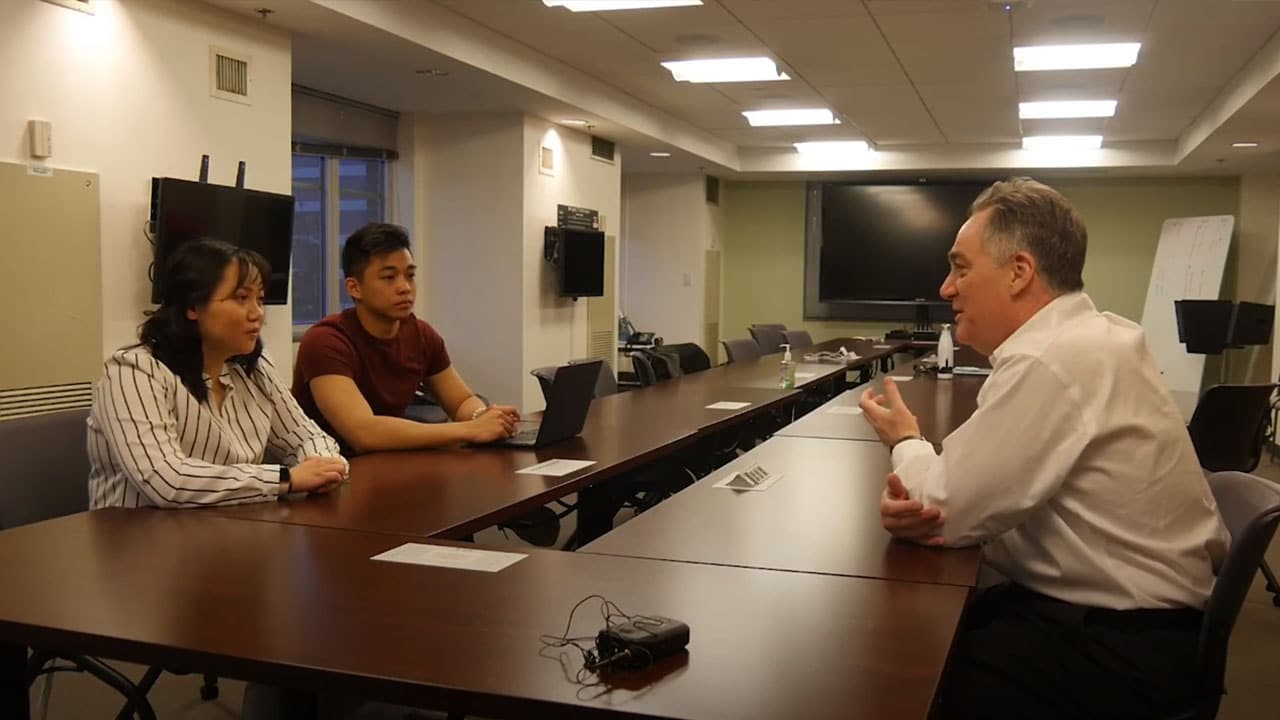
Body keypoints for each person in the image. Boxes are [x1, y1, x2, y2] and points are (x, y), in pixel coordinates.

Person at [858, 178, 1228, 720]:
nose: (945, 289)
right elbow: (964, 499)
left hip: (1121, 649)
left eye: (961, 268)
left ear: (1019, 272)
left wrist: (906, 442)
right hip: (1145, 624)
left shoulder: (1052, 358)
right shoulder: (1092, 336)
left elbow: (943, 507)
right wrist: (939, 491)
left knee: (900, 677)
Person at [88, 239, 347, 508]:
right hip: (137, 539)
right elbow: (166, 479)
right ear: (192, 307)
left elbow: (308, 437)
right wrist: (285, 479)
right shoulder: (133, 371)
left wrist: (323, 466)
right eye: (241, 298)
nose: (257, 313)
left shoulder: (252, 368)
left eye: (260, 299)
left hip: (229, 529)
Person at [293, 222, 519, 453]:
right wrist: (470, 429)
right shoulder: (325, 341)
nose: (405, 287)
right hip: (332, 471)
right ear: (354, 288)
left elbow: (461, 401)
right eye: (389, 278)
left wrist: (482, 416)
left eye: (410, 275)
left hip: (391, 462)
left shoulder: (421, 334)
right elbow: (363, 432)